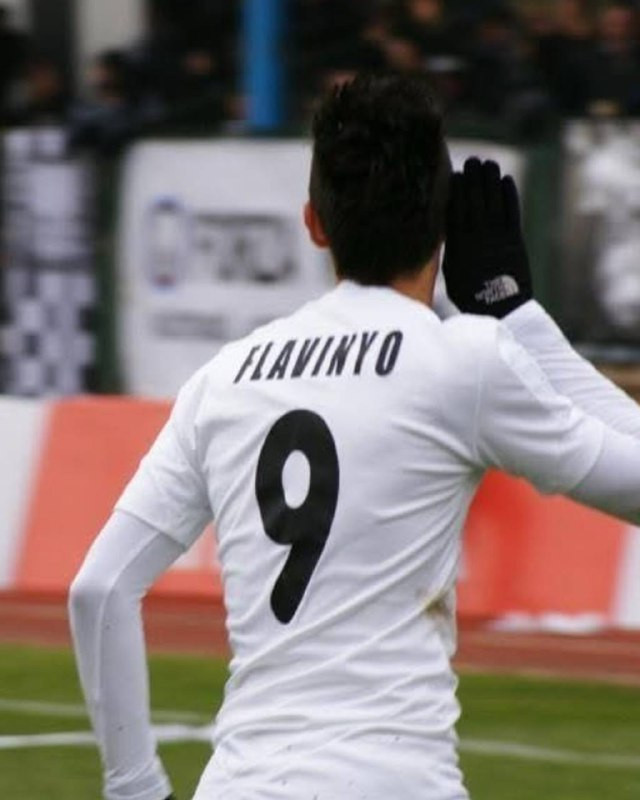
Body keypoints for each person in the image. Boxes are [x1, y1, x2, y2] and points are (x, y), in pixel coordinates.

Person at [69, 73, 640, 800]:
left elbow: (99, 591)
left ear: (314, 223)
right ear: (441, 223)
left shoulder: (223, 378)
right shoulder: (462, 360)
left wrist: (136, 788)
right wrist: (519, 316)